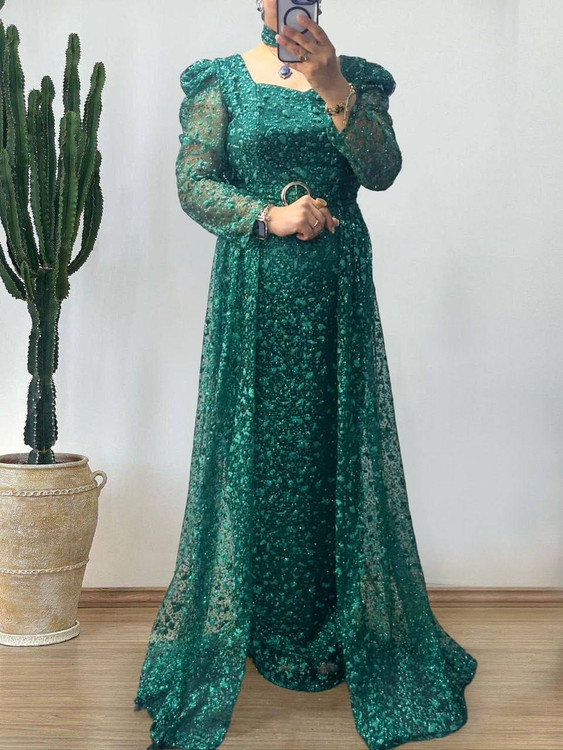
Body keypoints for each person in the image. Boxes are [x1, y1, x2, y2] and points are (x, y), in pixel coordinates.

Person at [134, 2, 478, 748]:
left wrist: (333, 87)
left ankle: (334, 617)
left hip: (335, 295)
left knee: (330, 447)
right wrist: (271, 216)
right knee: (258, 452)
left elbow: (381, 172)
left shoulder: (359, 79)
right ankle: (260, 618)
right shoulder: (220, 79)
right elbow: (193, 183)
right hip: (253, 294)